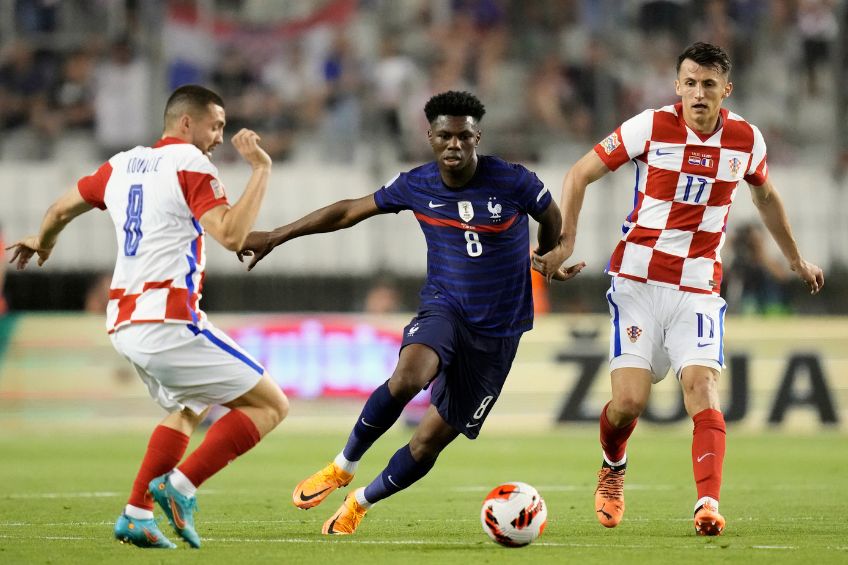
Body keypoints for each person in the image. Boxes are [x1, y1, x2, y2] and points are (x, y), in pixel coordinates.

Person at [237, 90, 582, 535]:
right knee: (406, 378)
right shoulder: (417, 184)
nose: (453, 145)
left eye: (463, 136)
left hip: (499, 332)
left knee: (427, 442)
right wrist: (277, 236)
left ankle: (359, 503)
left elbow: (551, 215)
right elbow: (347, 212)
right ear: (430, 137)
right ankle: (342, 466)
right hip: (445, 308)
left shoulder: (513, 181)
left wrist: (547, 252)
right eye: (444, 136)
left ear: (478, 137)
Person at [532, 42, 824, 536]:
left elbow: (767, 195)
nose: (698, 93)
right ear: (677, 86)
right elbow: (580, 173)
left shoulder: (746, 140)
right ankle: (613, 467)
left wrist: (793, 259)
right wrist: (566, 242)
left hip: (698, 285)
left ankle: (707, 504)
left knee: (703, 389)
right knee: (628, 404)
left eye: (709, 84)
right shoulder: (649, 126)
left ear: (725, 90)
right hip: (638, 281)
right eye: (689, 83)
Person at [7, 85, 288, 549]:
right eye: (214, 125)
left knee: (189, 406)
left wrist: (44, 241)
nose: (219, 137)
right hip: (168, 320)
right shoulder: (192, 164)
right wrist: (261, 168)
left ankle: (137, 513)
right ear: (185, 123)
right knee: (272, 405)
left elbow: (59, 208)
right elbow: (233, 236)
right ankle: (180, 488)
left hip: (125, 321)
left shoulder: (120, 165)